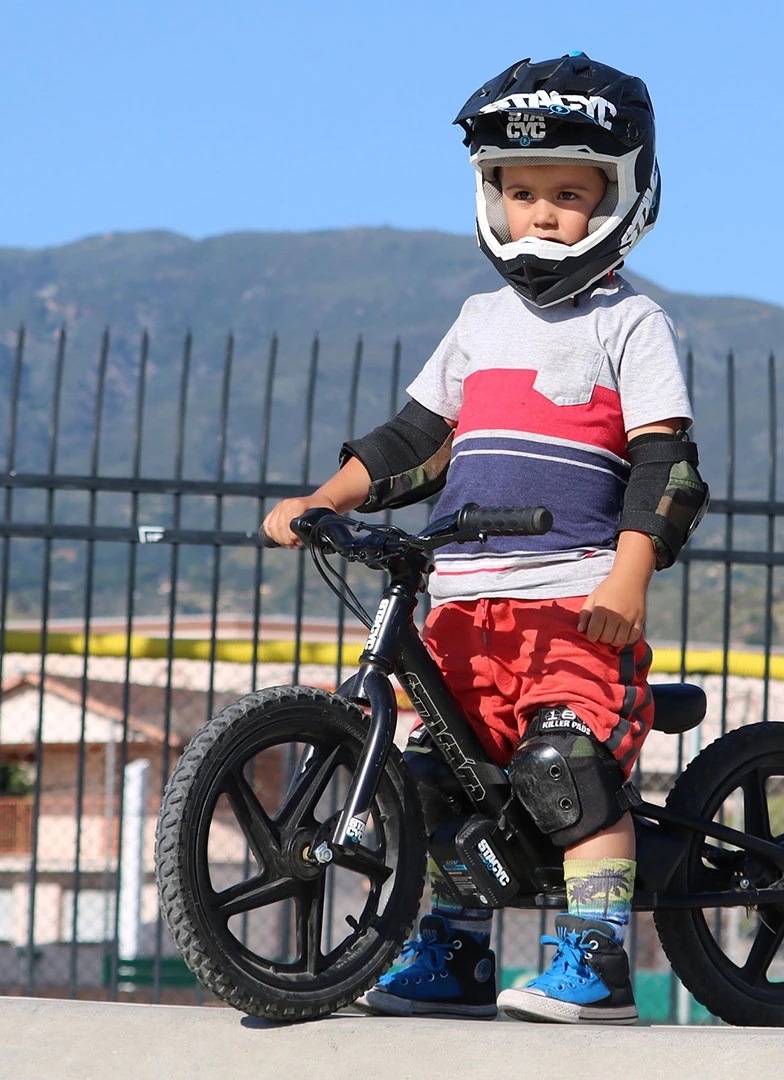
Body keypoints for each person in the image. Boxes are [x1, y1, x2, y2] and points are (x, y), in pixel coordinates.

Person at [261, 51, 708, 1025]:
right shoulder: (477, 321)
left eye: (568, 193)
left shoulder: (632, 323)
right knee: (433, 783)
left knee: (566, 775)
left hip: (576, 603)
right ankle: (449, 955)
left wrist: (629, 578)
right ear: (490, 197)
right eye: (521, 192)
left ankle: (595, 957)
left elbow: (666, 467)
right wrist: (322, 497)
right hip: (463, 607)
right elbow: (416, 444)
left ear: (620, 196)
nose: (541, 212)